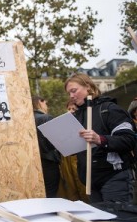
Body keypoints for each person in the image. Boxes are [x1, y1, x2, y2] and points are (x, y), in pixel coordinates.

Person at [64, 72, 136, 203]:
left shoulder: (109, 109)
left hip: (114, 179)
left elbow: (129, 140)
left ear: (88, 86)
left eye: (74, 91)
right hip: (90, 183)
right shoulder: (77, 116)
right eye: (69, 93)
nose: (71, 96)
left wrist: (100, 139)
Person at [57, 100, 89, 203]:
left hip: (79, 156)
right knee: (70, 186)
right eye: (69, 109)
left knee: (81, 184)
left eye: (74, 109)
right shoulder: (63, 123)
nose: (71, 111)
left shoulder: (85, 121)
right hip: (66, 158)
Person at [32, 95, 61, 197]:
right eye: (45, 103)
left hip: (33, 164)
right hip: (49, 162)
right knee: (50, 194)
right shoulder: (46, 118)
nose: (46, 105)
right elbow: (56, 141)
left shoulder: (28, 120)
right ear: (39, 102)